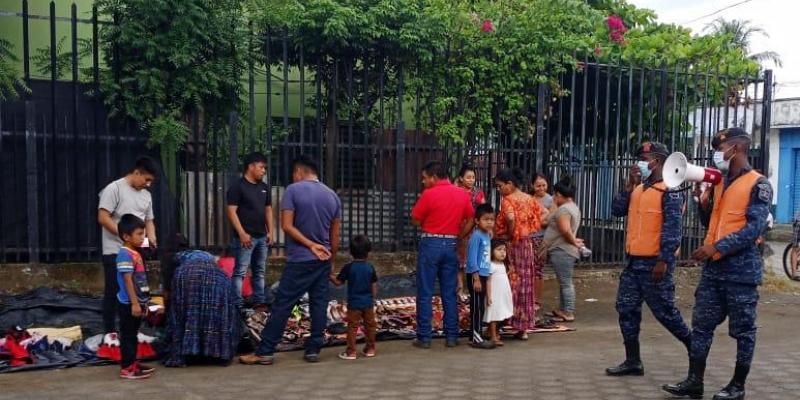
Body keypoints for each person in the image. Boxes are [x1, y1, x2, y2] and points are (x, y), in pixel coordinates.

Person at [663, 128, 772, 400]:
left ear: (737, 148)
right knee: (701, 327)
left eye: (721, 148)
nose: (718, 154)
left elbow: (753, 229)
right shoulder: (720, 183)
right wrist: (702, 204)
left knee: (743, 331)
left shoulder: (759, 185)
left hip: (741, 273)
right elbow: (712, 224)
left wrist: (716, 247)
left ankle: (737, 386)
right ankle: (694, 382)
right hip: (713, 271)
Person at [239, 155, 341, 365]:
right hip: (323, 260)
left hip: (300, 261)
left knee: (283, 304)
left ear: (298, 172)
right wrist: (332, 261)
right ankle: (313, 349)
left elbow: (286, 226)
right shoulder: (332, 196)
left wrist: (310, 245)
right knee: (319, 304)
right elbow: (335, 237)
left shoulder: (293, 190)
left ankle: (265, 351)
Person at [605, 142, 690, 377]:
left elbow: (673, 229)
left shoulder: (669, 191)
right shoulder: (638, 189)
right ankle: (633, 360)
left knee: (666, 314)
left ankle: (695, 348)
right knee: (626, 309)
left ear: (658, 161)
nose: (640, 162)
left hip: (655, 265)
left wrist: (664, 260)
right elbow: (616, 210)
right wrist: (628, 186)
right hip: (633, 264)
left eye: (645, 158)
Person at [410, 160, 475, 349]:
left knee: (425, 292)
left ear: (434, 176)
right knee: (449, 292)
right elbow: (472, 218)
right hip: (451, 244)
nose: (423, 182)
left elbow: (415, 219)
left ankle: (424, 337)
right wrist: (460, 235)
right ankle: (452, 336)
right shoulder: (462, 195)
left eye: (425, 178)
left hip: (430, 243)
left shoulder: (428, 194)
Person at [97, 156, 159, 336]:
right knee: (114, 291)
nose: (147, 184)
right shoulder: (114, 189)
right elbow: (103, 217)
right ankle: (110, 333)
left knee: (138, 288)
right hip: (115, 250)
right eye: (146, 179)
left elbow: (149, 220)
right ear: (137, 172)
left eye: (151, 181)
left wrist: (152, 236)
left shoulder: (146, 195)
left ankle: (134, 329)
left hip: (137, 252)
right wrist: (126, 236)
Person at [161, 234, 240, 368]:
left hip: (188, 275)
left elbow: (169, 297)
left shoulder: (172, 258)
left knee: (190, 313)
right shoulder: (201, 253)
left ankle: (186, 354)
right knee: (216, 314)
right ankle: (218, 354)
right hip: (219, 278)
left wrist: (166, 317)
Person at [494, 168, 543, 340]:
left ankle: (501, 322)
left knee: (510, 283)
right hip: (527, 245)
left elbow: (510, 218)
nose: (499, 190)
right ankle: (523, 328)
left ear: (510, 184)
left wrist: (511, 233)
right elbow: (540, 217)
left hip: (514, 246)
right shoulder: (530, 199)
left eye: (500, 186)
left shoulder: (508, 200)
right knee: (526, 285)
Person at [226, 152, 275, 311]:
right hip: (245, 237)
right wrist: (241, 233)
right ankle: (237, 303)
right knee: (240, 271)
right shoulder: (237, 187)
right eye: (261, 167)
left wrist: (271, 232)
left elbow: (268, 210)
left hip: (262, 236)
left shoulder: (264, 187)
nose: (263, 171)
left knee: (259, 271)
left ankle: (259, 301)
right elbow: (231, 211)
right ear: (251, 166)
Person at [115, 214, 157, 379]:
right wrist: (134, 303)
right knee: (128, 336)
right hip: (128, 302)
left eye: (143, 233)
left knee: (133, 334)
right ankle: (127, 368)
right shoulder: (125, 254)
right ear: (126, 236)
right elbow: (127, 280)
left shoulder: (135, 252)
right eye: (139, 234)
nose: (143, 237)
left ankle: (132, 362)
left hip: (137, 301)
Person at [330, 235, 378, 360]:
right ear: (368, 251)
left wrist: (329, 275)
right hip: (368, 302)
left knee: (352, 327)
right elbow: (374, 285)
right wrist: (372, 299)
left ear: (350, 252)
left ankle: (351, 352)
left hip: (354, 303)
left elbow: (338, 283)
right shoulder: (370, 268)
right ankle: (370, 348)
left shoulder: (348, 267)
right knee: (370, 326)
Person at [541, 175, 582, 323]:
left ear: (559, 194)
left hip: (562, 250)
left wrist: (574, 242)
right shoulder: (572, 207)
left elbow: (565, 230)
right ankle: (563, 310)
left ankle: (568, 311)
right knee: (563, 281)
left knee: (565, 282)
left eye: (554, 195)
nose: (553, 197)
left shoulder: (564, 210)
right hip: (563, 249)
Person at [465, 203, 496, 349]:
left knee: (480, 307)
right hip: (476, 276)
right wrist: (476, 278)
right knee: (477, 308)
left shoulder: (486, 235)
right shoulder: (476, 237)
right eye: (486, 219)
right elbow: (471, 259)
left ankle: (475, 334)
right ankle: (476, 338)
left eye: (491, 219)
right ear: (477, 221)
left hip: (483, 274)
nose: (489, 222)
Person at [456, 162, 486, 298]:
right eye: (468, 177)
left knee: (473, 259)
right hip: (458, 229)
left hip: (474, 230)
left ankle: (472, 287)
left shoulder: (478, 193)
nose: (471, 180)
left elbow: (484, 209)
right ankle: (460, 288)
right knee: (460, 261)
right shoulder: (455, 191)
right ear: (461, 178)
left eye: (473, 177)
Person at [484, 239, 513, 347]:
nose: (502, 252)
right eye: (499, 250)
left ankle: (494, 333)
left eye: (504, 250)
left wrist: (510, 272)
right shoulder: (491, 265)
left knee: (502, 314)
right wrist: (488, 295)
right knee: (494, 316)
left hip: (502, 294)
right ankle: (493, 337)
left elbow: (502, 276)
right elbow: (488, 281)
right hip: (494, 295)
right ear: (491, 251)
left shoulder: (502, 264)